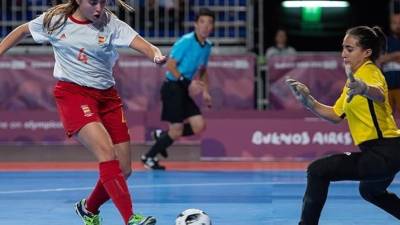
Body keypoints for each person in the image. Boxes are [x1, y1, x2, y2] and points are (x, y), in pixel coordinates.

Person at [0, 1, 167, 225]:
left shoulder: (111, 24)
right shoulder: (56, 20)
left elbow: (146, 46)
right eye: (93, 2)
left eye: (103, 1)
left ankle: (88, 208)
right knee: (107, 154)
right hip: (73, 94)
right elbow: (22, 30)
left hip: (108, 98)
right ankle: (130, 218)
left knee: (124, 170)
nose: (99, 8)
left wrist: (155, 56)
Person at [286, 26, 400, 225]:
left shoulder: (369, 72)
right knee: (370, 191)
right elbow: (335, 115)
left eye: (349, 49)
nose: (343, 54)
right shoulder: (351, 82)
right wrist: (308, 101)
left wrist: (364, 89)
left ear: (367, 53)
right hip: (385, 152)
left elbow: (379, 93)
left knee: (318, 170)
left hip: (384, 152)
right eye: (343, 48)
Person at [140, 8, 214, 170]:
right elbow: (171, 65)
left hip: (184, 88)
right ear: (196, 24)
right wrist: (187, 83)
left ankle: (163, 136)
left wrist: (206, 91)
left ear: (212, 27)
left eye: (209, 23)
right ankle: (148, 157)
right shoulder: (185, 41)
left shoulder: (208, 46)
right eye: (202, 22)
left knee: (199, 125)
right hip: (172, 87)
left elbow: (202, 70)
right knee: (177, 129)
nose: (205, 26)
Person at [377, 14, 400, 117]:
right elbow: (379, 60)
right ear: (390, 24)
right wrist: (396, 55)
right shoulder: (384, 42)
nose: (397, 26)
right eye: (394, 23)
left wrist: (388, 57)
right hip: (386, 88)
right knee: (386, 118)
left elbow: (384, 59)